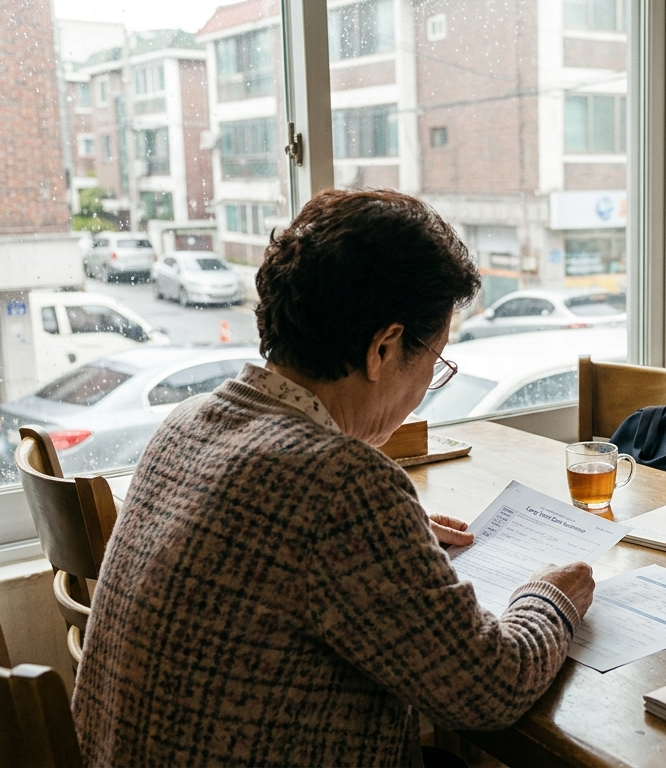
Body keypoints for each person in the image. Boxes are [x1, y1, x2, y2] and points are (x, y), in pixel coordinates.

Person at [72, 189, 596, 767]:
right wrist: (551, 596)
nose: (428, 386)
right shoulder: (340, 486)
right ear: (383, 348)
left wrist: (390, 541)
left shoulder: (188, 422)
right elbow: (489, 689)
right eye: (435, 361)